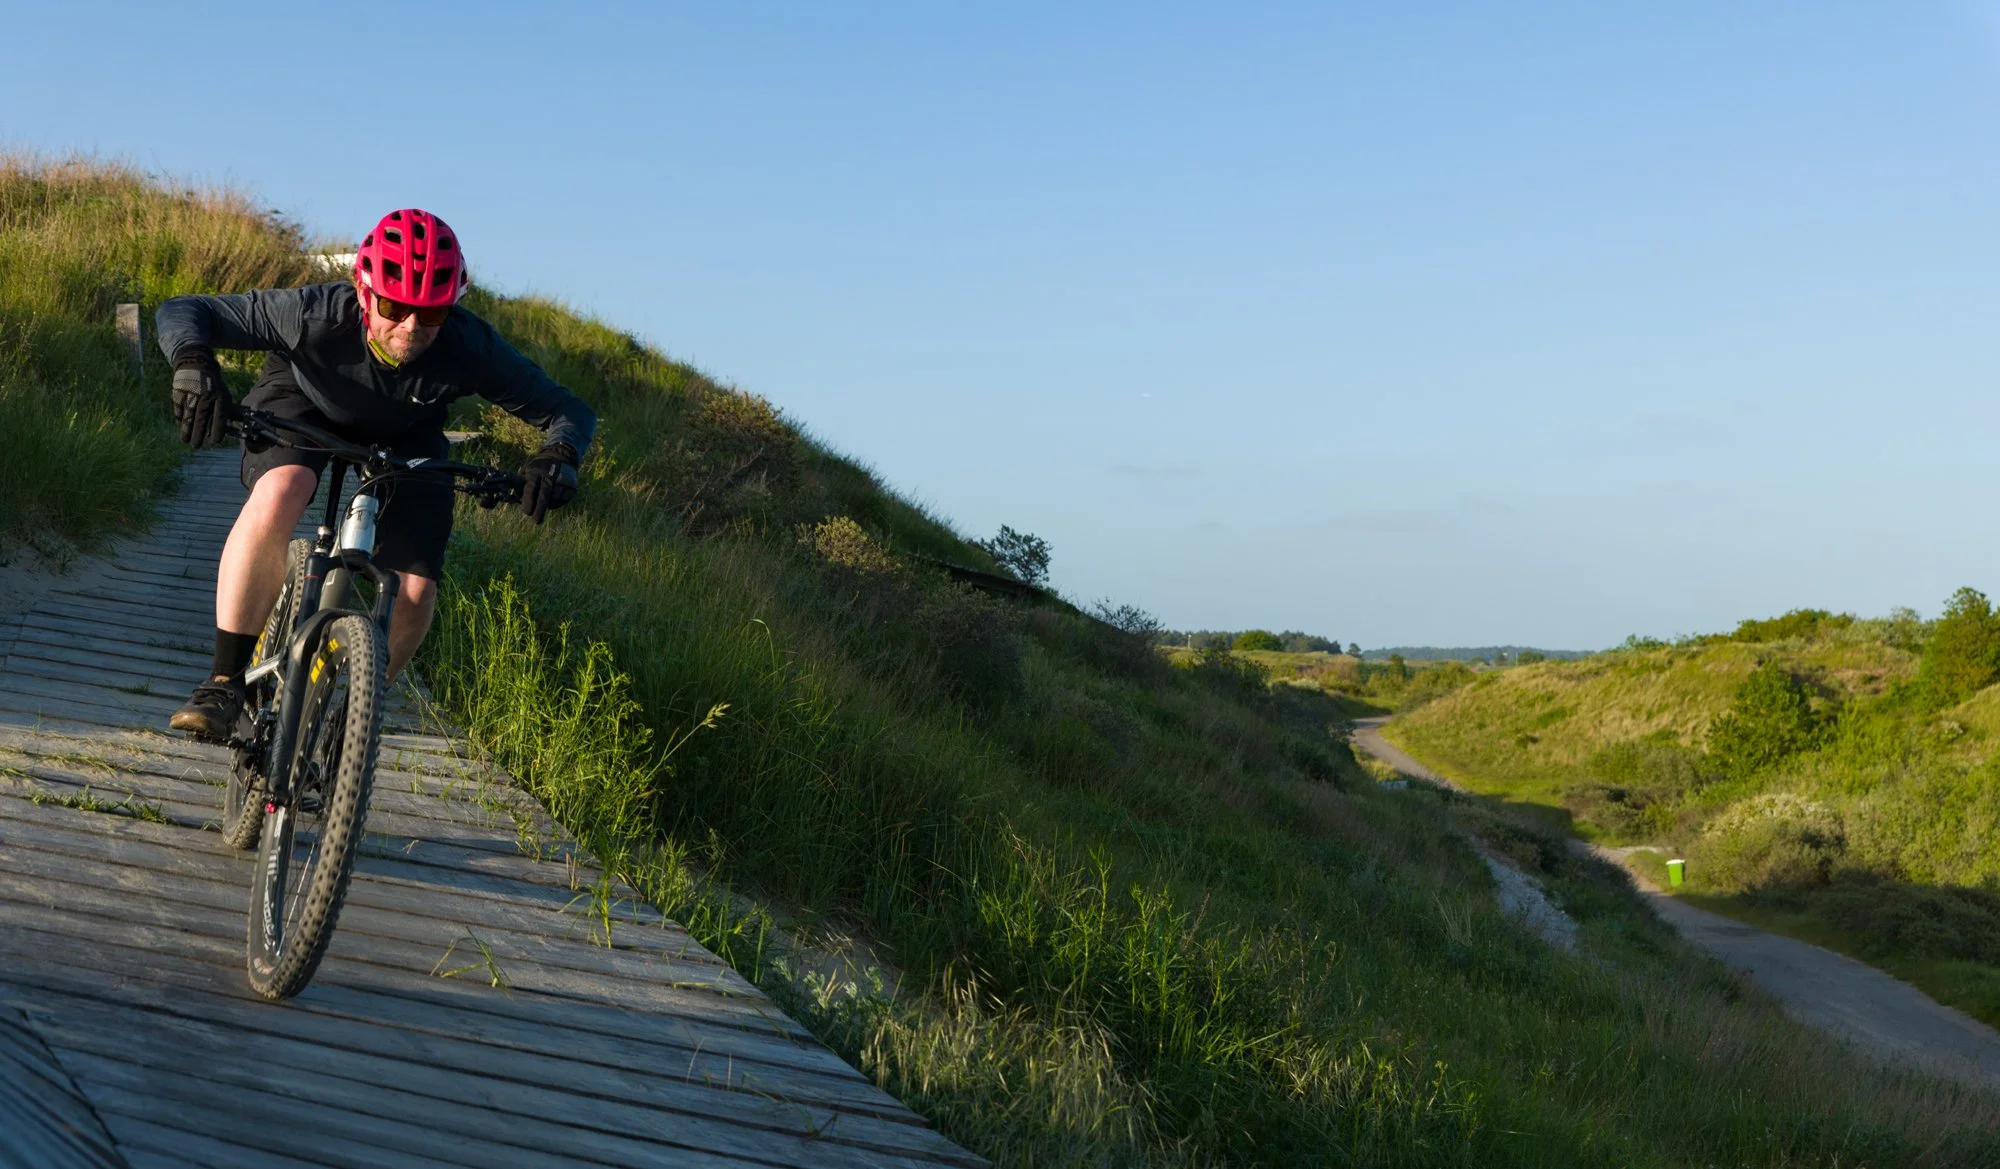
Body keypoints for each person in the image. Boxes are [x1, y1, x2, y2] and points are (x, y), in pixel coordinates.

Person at [154, 208, 596, 738]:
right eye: (394, 306)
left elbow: (568, 410)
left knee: (414, 591)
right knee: (282, 490)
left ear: (452, 308)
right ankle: (224, 682)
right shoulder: (311, 313)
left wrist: (558, 456)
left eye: (430, 315)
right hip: (304, 402)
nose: (410, 327)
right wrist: (192, 363)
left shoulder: (469, 345)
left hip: (407, 431)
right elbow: (186, 309)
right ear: (363, 294)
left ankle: (358, 719)